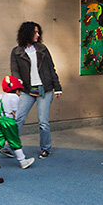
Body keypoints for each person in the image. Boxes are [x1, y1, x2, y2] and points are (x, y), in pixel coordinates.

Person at [9, 21, 62, 158]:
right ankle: (11, 147)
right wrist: (18, 82)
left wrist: (57, 87)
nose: (38, 35)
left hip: (45, 89)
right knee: (18, 118)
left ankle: (45, 148)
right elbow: (14, 70)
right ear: (27, 33)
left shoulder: (42, 49)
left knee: (43, 122)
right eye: (35, 32)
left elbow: (51, 68)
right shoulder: (16, 52)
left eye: (39, 32)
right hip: (28, 90)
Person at [0, 75, 34, 168]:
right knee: (14, 141)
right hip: (10, 122)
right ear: (17, 91)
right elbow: (15, 112)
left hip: (1, 121)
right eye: (20, 91)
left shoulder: (2, 96)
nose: (20, 94)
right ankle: (23, 161)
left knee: (0, 141)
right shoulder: (15, 97)